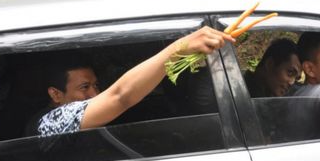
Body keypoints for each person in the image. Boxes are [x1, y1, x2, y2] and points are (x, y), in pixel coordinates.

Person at [31, 26, 233, 137]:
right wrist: (178, 48)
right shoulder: (50, 122)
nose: (94, 95)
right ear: (55, 94)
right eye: (84, 87)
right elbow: (120, 96)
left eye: (96, 86)